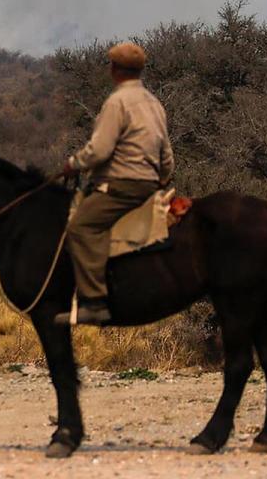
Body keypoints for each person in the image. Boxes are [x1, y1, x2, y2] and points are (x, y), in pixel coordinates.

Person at [56, 42, 174, 326]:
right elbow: (167, 154)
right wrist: (162, 177)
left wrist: (73, 164)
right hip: (149, 184)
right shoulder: (153, 103)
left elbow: (100, 150)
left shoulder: (116, 103)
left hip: (120, 185)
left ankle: (94, 303)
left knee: (80, 227)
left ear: (114, 70)